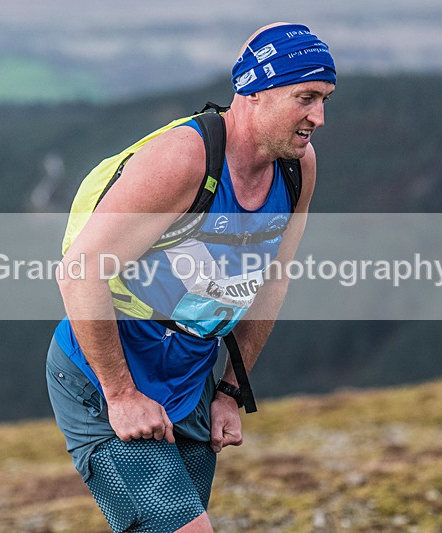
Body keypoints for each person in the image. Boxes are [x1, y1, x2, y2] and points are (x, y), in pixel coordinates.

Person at [46, 21, 335, 532]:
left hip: (192, 373)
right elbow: (79, 271)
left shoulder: (297, 167)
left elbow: (273, 281)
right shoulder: (185, 159)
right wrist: (121, 395)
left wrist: (228, 392)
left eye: (325, 99)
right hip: (106, 368)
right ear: (254, 92)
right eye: (305, 97)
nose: (319, 117)